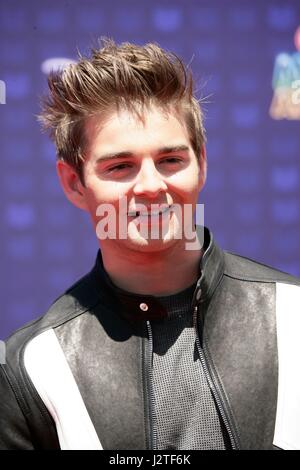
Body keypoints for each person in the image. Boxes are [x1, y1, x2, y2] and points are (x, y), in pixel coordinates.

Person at [1, 38, 300, 451]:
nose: (150, 186)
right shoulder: (30, 367)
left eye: (170, 160)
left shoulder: (293, 315)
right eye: (120, 166)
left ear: (202, 164)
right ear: (74, 183)